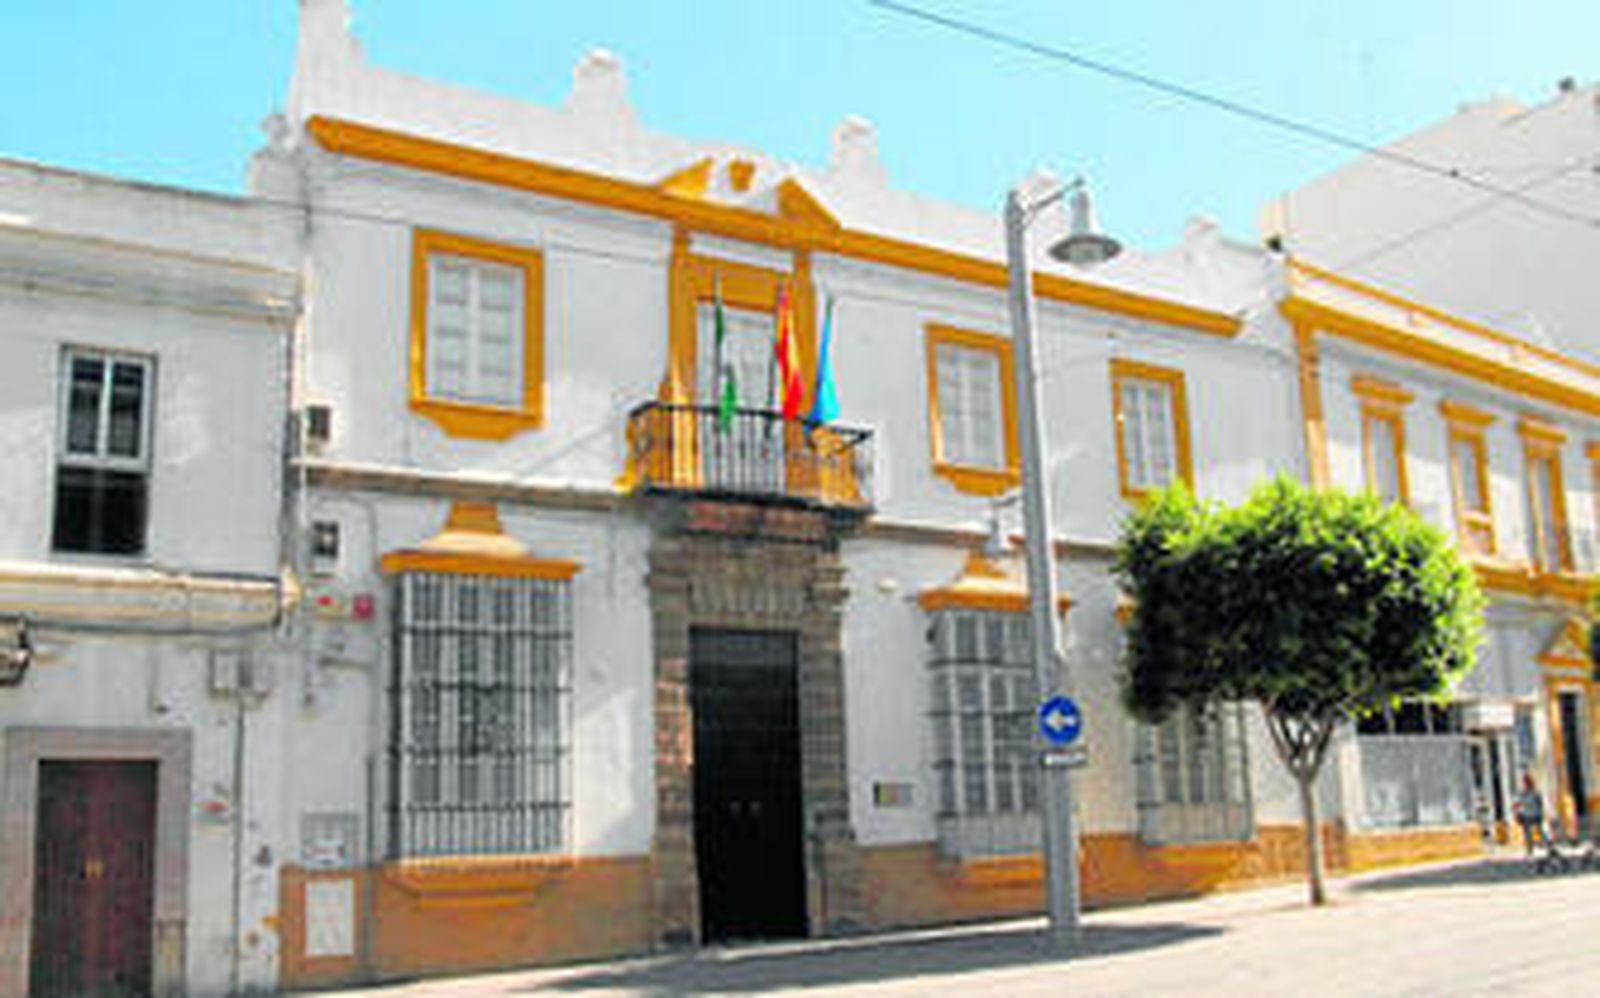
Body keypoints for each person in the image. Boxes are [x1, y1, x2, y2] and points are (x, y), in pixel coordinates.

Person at [1514, 772, 1547, 857]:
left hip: (1530, 815)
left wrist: (1518, 812)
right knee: (1536, 831)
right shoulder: (1531, 792)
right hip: (1532, 814)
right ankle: (1537, 847)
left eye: (1525, 782)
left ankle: (1534, 848)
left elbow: (1518, 804)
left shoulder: (1529, 793)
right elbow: (1540, 804)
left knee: (1531, 832)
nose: (1525, 784)